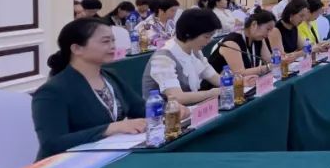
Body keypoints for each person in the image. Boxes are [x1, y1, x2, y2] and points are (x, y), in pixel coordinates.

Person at [32, 19, 154, 159]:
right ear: (77, 49)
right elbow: (52, 143)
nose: (113, 46)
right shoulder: (52, 91)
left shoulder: (110, 77)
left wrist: (169, 109)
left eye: (113, 41)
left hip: (109, 155)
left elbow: (139, 108)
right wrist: (110, 128)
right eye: (105, 41)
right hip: (67, 163)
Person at [141, 8, 223, 106]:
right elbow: (177, 97)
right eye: (206, 37)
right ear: (189, 33)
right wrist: (210, 93)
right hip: (163, 112)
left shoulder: (194, 51)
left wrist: (235, 81)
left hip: (188, 109)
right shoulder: (163, 58)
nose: (209, 41)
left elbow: (214, 77)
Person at [208, 9, 276, 76]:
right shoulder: (231, 42)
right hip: (218, 82)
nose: (268, 34)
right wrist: (267, 67)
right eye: (268, 29)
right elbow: (240, 73)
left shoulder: (258, 38)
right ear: (254, 25)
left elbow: (269, 60)